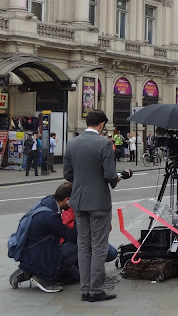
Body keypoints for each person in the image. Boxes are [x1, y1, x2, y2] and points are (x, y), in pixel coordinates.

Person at [63, 110, 120, 302]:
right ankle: (96, 290)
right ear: (102, 124)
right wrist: (116, 179)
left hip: (78, 201)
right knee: (99, 246)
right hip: (99, 202)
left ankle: (85, 289)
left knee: (83, 245)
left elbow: (68, 174)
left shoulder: (72, 143)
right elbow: (110, 175)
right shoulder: (104, 143)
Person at [9, 182, 78, 292]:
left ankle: (27, 270)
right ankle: (42, 277)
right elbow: (74, 236)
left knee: (74, 275)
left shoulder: (46, 203)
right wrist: (77, 214)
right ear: (68, 199)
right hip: (40, 256)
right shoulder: (50, 217)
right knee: (80, 247)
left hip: (31, 253)